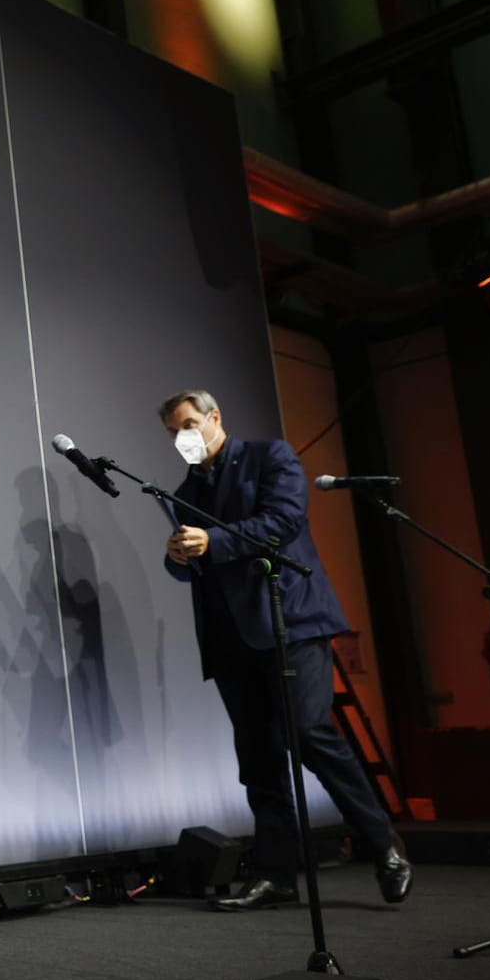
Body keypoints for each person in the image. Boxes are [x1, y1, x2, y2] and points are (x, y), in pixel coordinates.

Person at [158, 390, 412, 911]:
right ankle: (275, 873)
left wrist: (213, 542)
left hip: (290, 621)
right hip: (231, 637)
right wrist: (179, 557)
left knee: (310, 733)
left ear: (214, 417)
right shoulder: (186, 490)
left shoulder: (269, 457)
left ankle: (384, 846)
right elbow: (196, 559)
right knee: (257, 758)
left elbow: (282, 522)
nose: (181, 438)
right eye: (171, 432)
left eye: (187, 424)